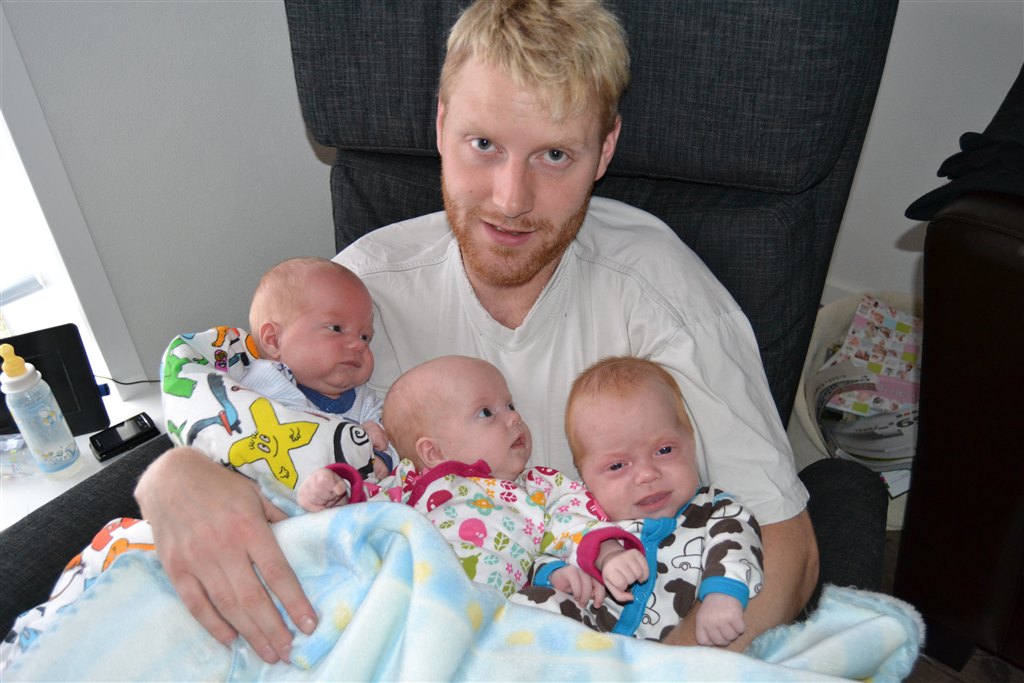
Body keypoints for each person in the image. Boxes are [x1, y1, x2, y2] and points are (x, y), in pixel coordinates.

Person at [133, 0, 817, 663]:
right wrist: (172, 474)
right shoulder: (359, 294)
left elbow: (789, 543)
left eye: (555, 155)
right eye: (483, 144)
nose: (510, 199)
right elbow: (252, 423)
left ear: (605, 149)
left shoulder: (661, 293)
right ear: (440, 125)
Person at [297, 355, 647, 603]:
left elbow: (574, 515)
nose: (514, 418)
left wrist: (608, 554)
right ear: (433, 452)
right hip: (411, 597)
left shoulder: (538, 486)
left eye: (510, 405)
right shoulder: (409, 484)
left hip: (494, 613)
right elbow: (364, 519)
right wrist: (334, 492)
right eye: (486, 412)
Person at [513, 357, 763, 647]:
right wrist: (557, 574)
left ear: (691, 443)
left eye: (664, 450)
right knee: (533, 601)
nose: (647, 474)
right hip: (589, 642)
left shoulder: (714, 510)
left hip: (674, 646)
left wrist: (722, 596)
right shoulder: (584, 518)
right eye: (617, 465)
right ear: (585, 477)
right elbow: (547, 550)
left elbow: (737, 542)